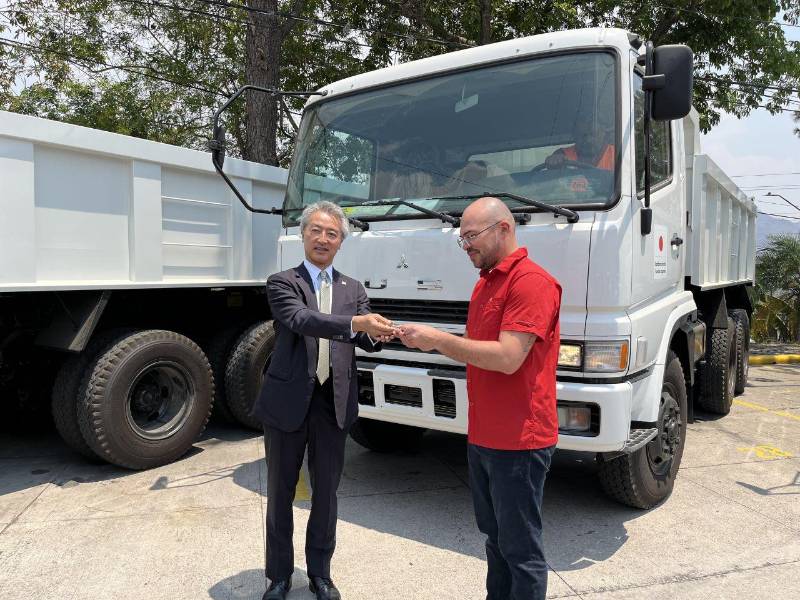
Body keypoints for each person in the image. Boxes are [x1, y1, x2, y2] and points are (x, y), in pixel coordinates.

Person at [397, 196, 561, 600]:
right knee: (495, 539)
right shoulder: (487, 283)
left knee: (521, 550)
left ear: (503, 229)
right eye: (462, 238)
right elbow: (479, 347)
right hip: (485, 435)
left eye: (472, 235)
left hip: (519, 441)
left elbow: (507, 358)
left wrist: (437, 341)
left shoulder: (531, 283)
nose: (466, 244)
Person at [255, 201, 396, 600]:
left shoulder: (355, 288)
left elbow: (365, 340)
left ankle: (320, 572)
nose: (323, 238)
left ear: (341, 242)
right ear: (303, 235)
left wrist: (382, 332)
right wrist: (355, 324)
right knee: (281, 491)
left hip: (333, 402)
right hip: (287, 403)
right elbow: (301, 321)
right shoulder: (282, 282)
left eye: (332, 233)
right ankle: (279, 575)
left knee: (326, 494)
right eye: (316, 230)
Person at [545, 121, 615, 171]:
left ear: (603, 133)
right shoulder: (562, 154)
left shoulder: (617, 155)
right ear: (574, 136)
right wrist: (553, 162)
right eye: (582, 135)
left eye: (592, 134)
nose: (588, 140)